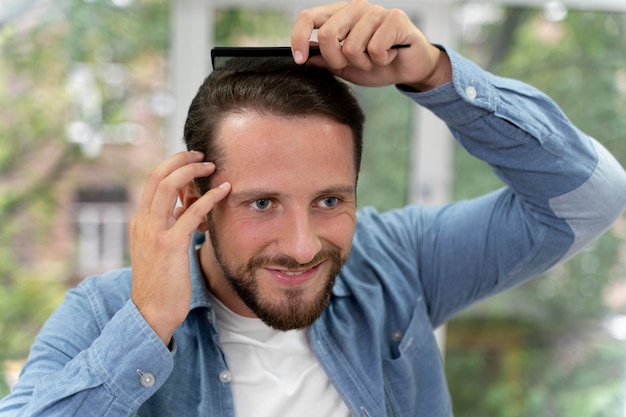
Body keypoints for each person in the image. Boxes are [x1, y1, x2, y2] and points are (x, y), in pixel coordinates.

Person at [2, 1, 625, 416]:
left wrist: (435, 73)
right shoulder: (107, 313)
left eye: (329, 200)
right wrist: (147, 326)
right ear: (193, 199)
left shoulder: (395, 262)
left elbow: (588, 196)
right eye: (263, 203)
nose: (302, 246)